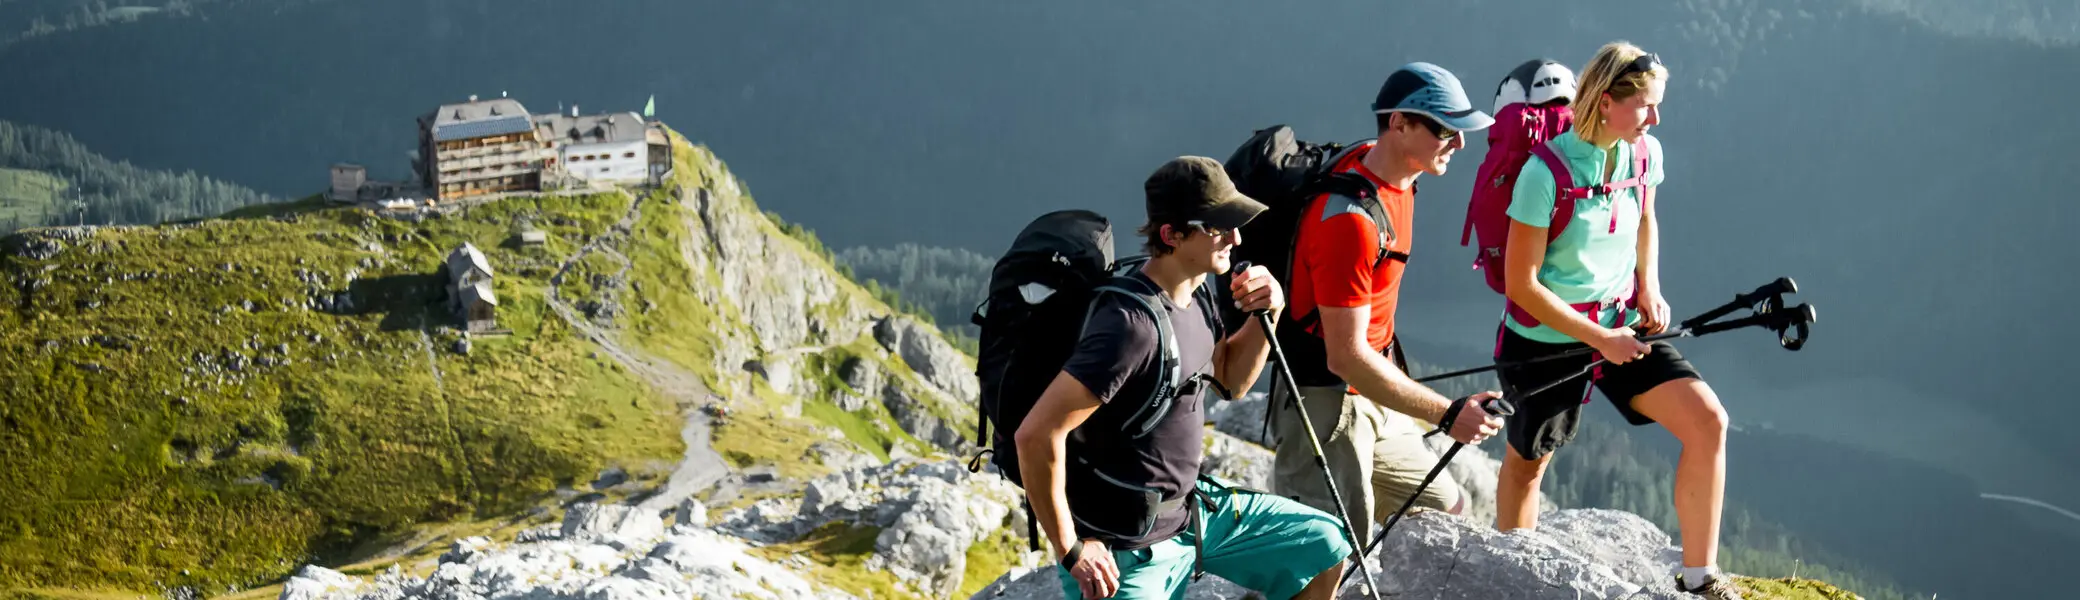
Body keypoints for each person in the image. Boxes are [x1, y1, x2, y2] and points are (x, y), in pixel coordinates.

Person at [1015, 156, 1353, 600]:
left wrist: (1270, 312)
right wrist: (1072, 550)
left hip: (1193, 516)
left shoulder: (1196, 295)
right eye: (1218, 227)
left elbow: (1231, 380)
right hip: (1127, 550)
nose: (1235, 237)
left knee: (1325, 544)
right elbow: (1036, 435)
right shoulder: (1129, 327)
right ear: (1172, 235)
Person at [1490, 42, 1742, 599]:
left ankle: (1701, 580)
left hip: (1621, 326)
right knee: (1530, 461)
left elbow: (1645, 219)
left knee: (1708, 422)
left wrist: (1648, 287)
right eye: (1645, 106)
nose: (1655, 119)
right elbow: (1521, 285)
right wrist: (1599, 339)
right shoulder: (1544, 172)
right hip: (1545, 338)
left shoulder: (1644, 153)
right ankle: (1507, 577)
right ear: (1605, 101)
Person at [1269, 62, 1506, 552]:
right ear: (1398, 124)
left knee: (1447, 507)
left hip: (1372, 394)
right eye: (1444, 128)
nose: (1458, 142)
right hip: (1327, 403)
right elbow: (1345, 356)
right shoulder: (1350, 221)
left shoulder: (1391, 174)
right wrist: (1448, 413)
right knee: (1325, 559)